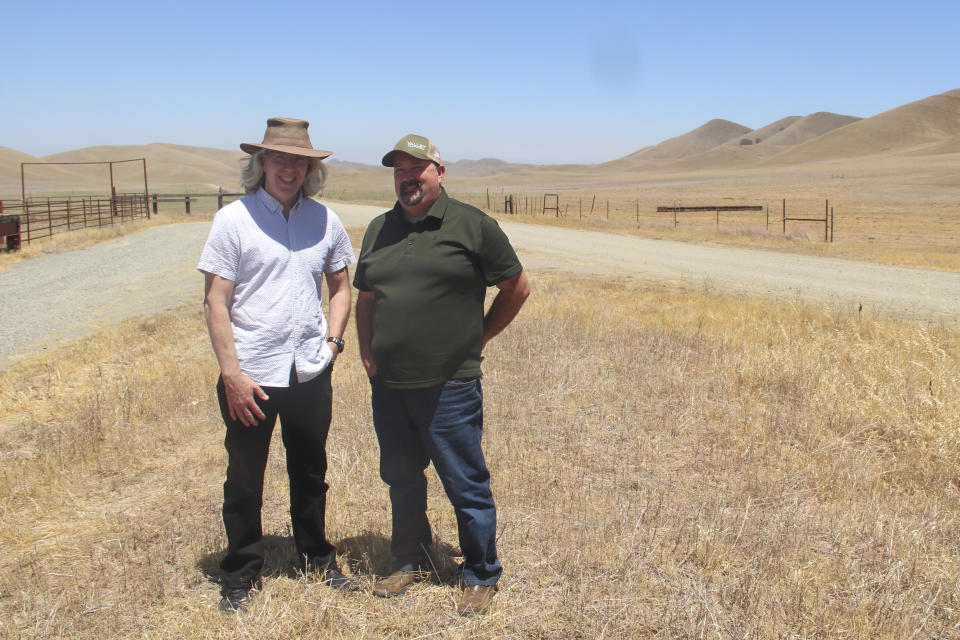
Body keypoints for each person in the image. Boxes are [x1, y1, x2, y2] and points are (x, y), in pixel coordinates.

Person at [353, 134, 530, 616]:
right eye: (399, 171)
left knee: (464, 481)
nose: (408, 178)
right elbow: (366, 296)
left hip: (449, 384)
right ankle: (410, 559)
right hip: (389, 385)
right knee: (401, 477)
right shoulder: (378, 228)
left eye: (418, 169)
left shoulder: (472, 225)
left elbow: (516, 286)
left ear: (439, 172)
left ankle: (481, 573)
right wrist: (367, 353)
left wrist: (480, 337)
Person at [197, 117, 357, 613]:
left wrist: (332, 345)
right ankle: (241, 571)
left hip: (309, 369)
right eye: (279, 158)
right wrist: (232, 375)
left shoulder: (325, 221)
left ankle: (315, 556)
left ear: (310, 169)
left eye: (299, 161)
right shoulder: (233, 220)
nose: (289, 169)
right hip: (253, 374)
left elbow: (341, 287)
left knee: (310, 470)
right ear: (261, 163)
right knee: (246, 475)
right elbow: (215, 302)